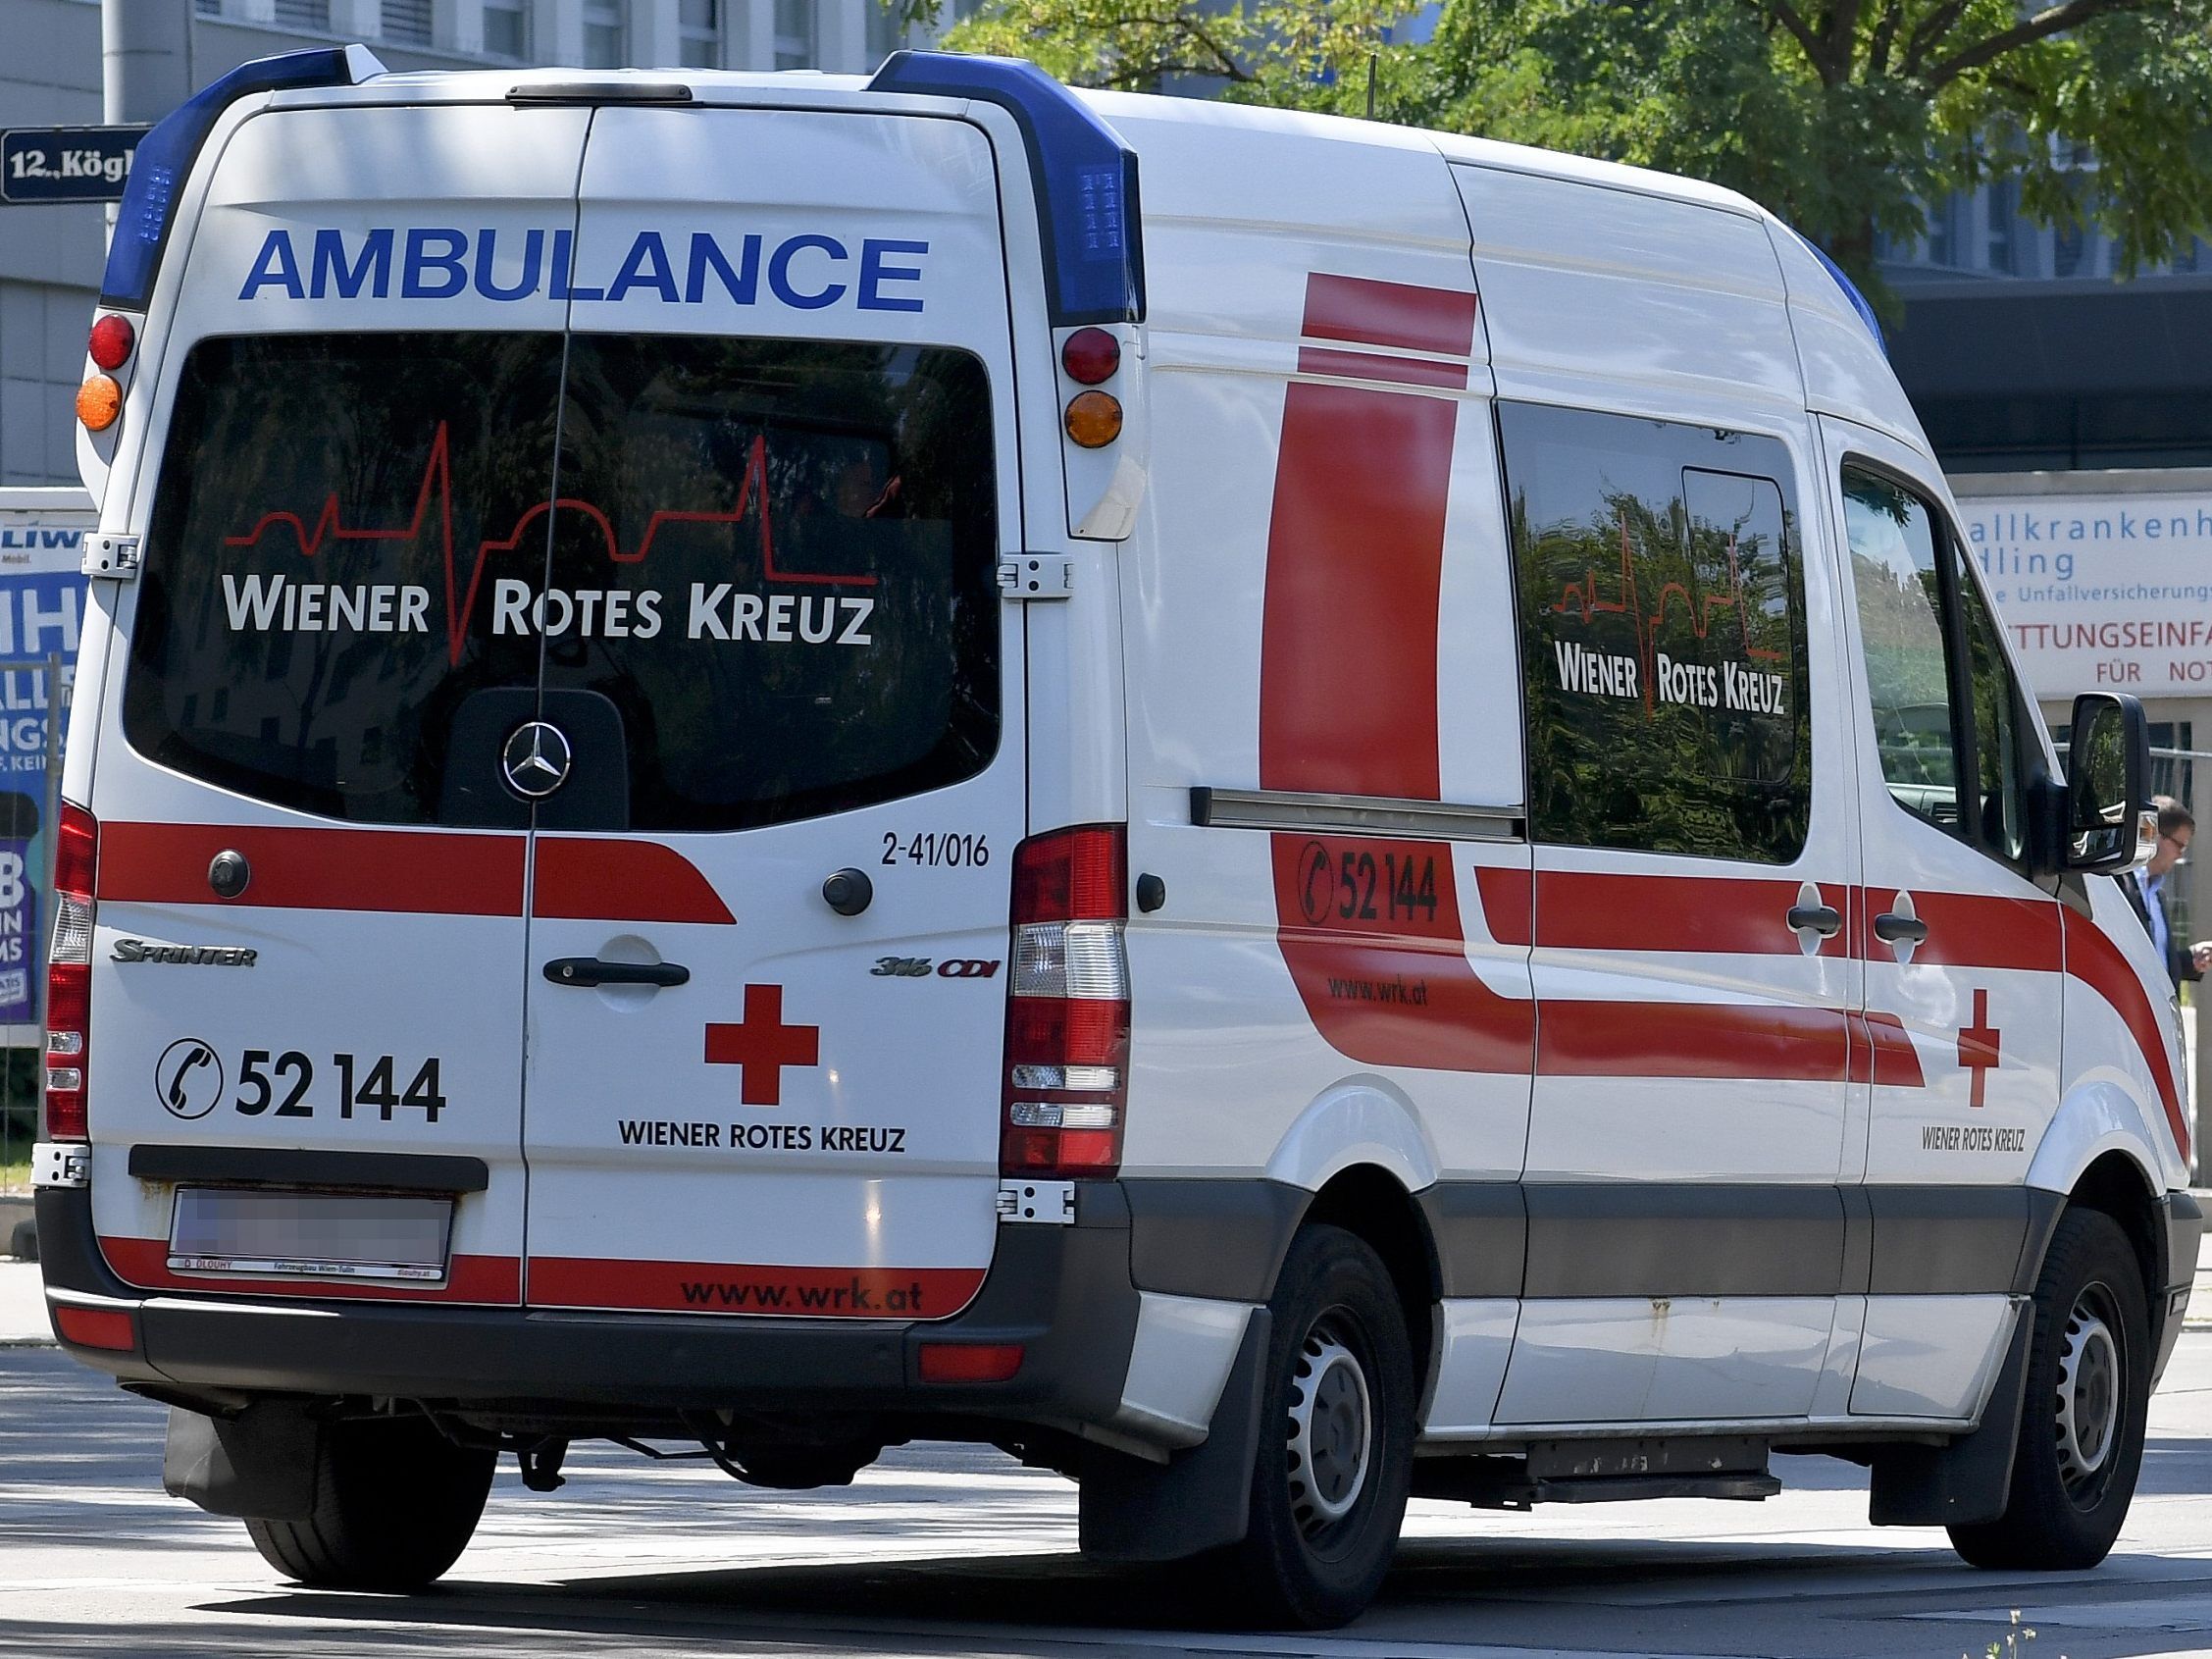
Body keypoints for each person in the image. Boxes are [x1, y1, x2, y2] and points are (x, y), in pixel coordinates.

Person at [2123, 796, 2212, 987]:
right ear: (2155, 835)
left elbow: (2157, 964)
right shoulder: (2119, 885)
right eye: (2180, 845)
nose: (2181, 854)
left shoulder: (2156, 895)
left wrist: (2190, 959)